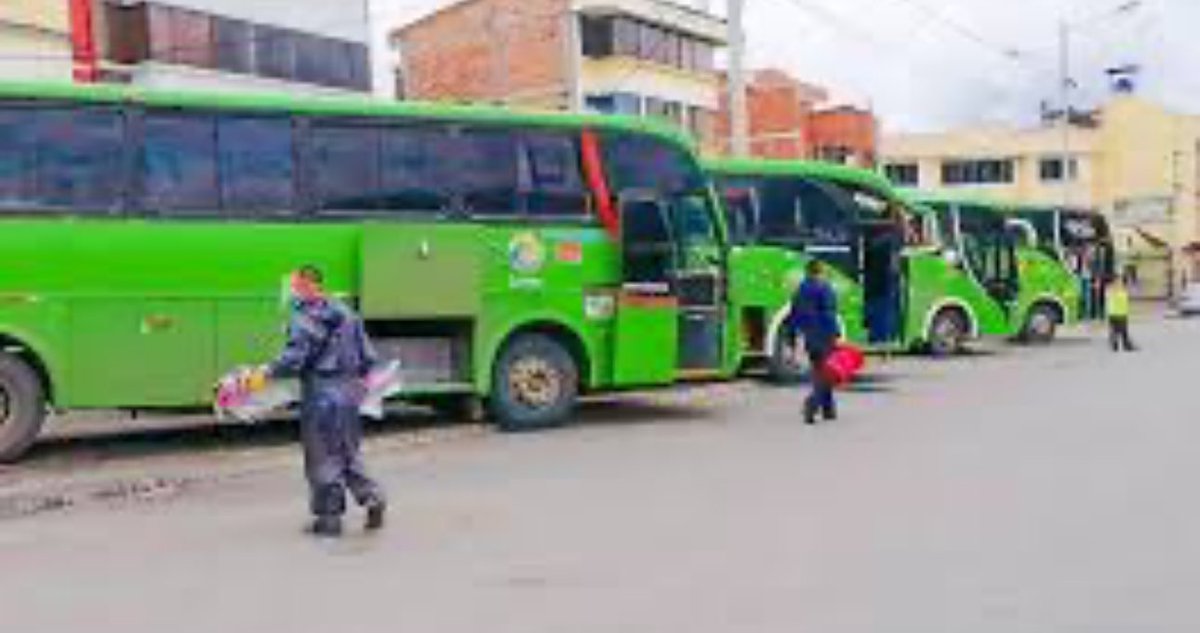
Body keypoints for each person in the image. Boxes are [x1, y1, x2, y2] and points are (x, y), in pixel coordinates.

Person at [248, 265, 386, 537]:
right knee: (348, 451)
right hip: (349, 393)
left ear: (308, 286)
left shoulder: (305, 318)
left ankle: (329, 519)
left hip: (321, 394)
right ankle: (373, 497)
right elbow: (368, 357)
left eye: (296, 286)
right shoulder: (347, 313)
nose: (292, 292)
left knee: (322, 457)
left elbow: (295, 359)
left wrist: (266, 371)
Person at [787, 260, 842, 425]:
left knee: (820, 370)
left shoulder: (800, 290)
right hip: (825, 336)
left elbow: (793, 315)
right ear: (819, 272)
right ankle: (812, 404)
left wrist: (792, 338)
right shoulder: (825, 288)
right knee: (826, 374)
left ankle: (829, 410)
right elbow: (829, 314)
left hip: (809, 338)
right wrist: (836, 333)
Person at [1105, 276, 1137, 352]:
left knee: (1115, 330)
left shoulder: (1110, 290)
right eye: (1118, 281)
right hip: (1120, 313)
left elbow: (1108, 299)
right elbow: (1131, 290)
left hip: (1113, 313)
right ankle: (1124, 344)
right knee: (1123, 330)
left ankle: (1115, 343)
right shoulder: (1122, 290)